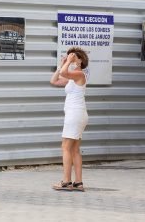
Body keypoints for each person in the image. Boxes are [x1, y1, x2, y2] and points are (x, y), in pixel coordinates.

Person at [50, 47, 89, 192]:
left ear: (81, 61)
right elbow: (54, 80)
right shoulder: (72, 77)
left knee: (65, 147)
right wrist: (62, 63)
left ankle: (66, 182)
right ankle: (78, 183)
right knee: (74, 149)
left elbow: (64, 72)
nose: (71, 58)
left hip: (75, 115)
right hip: (77, 115)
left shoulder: (79, 74)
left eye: (75, 57)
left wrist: (69, 62)